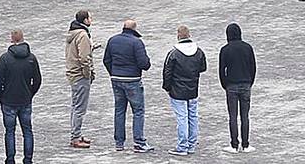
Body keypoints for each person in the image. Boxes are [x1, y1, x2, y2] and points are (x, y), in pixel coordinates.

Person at [103, 19, 153, 153]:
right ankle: (139, 142)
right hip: (132, 80)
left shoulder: (112, 40)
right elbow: (144, 64)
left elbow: (106, 60)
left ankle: (119, 143)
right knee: (138, 111)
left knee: (119, 110)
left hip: (116, 79)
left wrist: (113, 72)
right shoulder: (136, 42)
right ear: (134, 29)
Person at [0, 30, 41, 164]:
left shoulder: (5, 58)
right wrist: (30, 93)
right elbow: (37, 80)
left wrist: (1, 97)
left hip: (8, 100)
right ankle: (28, 159)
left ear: (11, 40)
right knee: (27, 130)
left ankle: (10, 159)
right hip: (25, 99)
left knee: (9, 131)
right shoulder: (31, 58)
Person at [162, 25, 207, 156]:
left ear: (178, 35)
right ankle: (191, 144)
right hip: (193, 89)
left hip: (177, 91)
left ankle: (182, 146)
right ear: (189, 35)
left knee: (182, 118)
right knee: (193, 116)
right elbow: (203, 68)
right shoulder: (198, 51)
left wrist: (167, 87)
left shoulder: (173, 53)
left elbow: (167, 73)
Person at [218, 23, 256, 154]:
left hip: (231, 85)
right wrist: (250, 82)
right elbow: (253, 67)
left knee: (232, 116)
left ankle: (234, 145)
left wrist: (225, 85)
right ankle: (246, 145)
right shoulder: (247, 47)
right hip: (246, 84)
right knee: (245, 116)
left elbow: (222, 70)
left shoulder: (225, 49)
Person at [64, 10, 94, 149]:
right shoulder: (82, 35)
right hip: (80, 75)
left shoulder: (73, 33)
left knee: (75, 105)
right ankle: (75, 137)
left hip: (73, 73)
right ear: (85, 20)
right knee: (80, 108)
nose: (91, 19)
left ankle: (76, 133)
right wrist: (88, 74)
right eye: (90, 17)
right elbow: (84, 58)